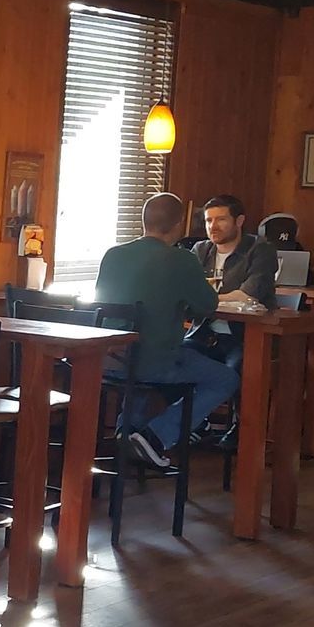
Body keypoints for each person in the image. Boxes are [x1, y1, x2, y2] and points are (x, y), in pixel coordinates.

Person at [95, 192, 242, 470]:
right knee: (224, 379)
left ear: (143, 221)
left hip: (108, 359)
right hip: (153, 361)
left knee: (140, 369)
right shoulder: (181, 260)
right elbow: (206, 306)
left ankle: (127, 435)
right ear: (179, 225)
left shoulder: (113, 255)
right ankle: (156, 435)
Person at [187, 194, 277, 373]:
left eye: (221, 220)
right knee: (175, 360)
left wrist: (206, 299)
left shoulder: (260, 250)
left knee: (234, 372)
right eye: (208, 220)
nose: (213, 227)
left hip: (244, 338)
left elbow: (248, 296)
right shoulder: (200, 250)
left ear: (239, 221)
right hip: (202, 334)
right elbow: (186, 291)